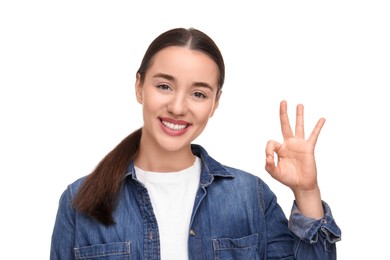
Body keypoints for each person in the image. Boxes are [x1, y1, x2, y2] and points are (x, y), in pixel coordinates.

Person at [50, 27, 341, 260]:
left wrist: (307, 192)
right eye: (164, 86)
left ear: (215, 103)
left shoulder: (250, 198)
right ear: (139, 86)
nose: (178, 107)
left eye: (198, 94)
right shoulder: (80, 201)